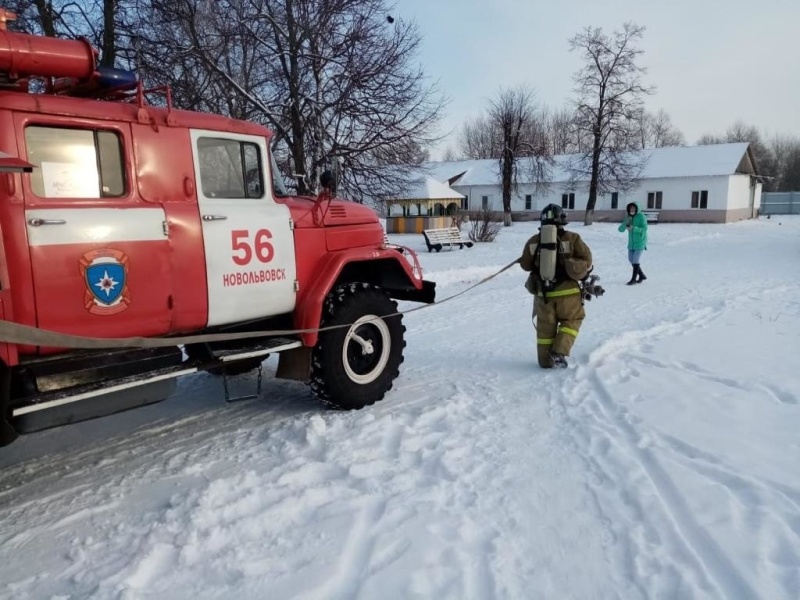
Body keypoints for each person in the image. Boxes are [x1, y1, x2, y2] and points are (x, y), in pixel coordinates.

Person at [520, 204, 593, 369]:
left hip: (543, 295)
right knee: (572, 320)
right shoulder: (573, 238)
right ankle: (559, 351)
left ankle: (545, 361)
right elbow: (587, 261)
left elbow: (525, 265)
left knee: (545, 329)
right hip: (568, 293)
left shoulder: (533, 241)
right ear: (563, 221)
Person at [618, 201, 648, 285]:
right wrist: (625, 223)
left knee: (635, 260)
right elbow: (620, 230)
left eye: (634, 208)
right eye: (630, 208)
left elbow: (644, 229)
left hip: (640, 242)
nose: (632, 209)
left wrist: (634, 228)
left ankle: (633, 279)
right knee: (631, 259)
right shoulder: (628, 217)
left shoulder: (641, 217)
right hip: (631, 243)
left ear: (637, 209)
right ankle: (641, 275)